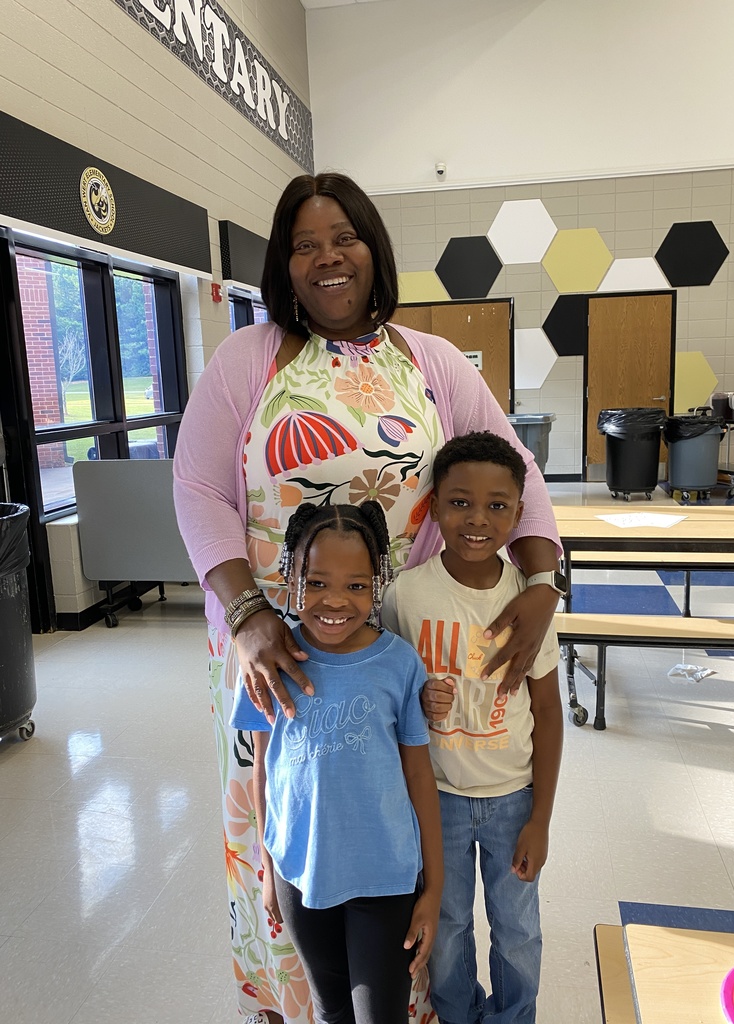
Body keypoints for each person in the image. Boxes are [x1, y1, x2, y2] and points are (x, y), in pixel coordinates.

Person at [173, 170, 562, 1022]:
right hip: (272, 653)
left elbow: (515, 473)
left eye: (343, 237)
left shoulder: (430, 363)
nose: (327, 259)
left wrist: (542, 583)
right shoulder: (247, 357)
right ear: (283, 263)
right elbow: (198, 489)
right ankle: (295, 1000)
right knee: (287, 824)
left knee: (393, 825)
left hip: (393, 649)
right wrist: (246, 616)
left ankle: (405, 1001)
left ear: (373, 248)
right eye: (303, 245)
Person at [231, 500, 442, 1024]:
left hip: (385, 878)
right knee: (330, 1011)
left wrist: (434, 888)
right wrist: (267, 869)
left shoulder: (397, 662)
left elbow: (419, 775)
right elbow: (263, 772)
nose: (335, 601)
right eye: (318, 581)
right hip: (299, 874)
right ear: (289, 577)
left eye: (356, 585)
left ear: (376, 585)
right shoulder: (268, 664)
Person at [381, 431, 563, 1024]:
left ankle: (515, 1017)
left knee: (517, 931)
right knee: (450, 928)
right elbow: (390, 689)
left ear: (518, 511)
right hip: (437, 801)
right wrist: (417, 694)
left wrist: (540, 817)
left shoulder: (530, 601)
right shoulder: (407, 594)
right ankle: (459, 1017)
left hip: (514, 800)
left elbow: (550, 711)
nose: (477, 519)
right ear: (433, 507)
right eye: (460, 502)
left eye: (497, 505)